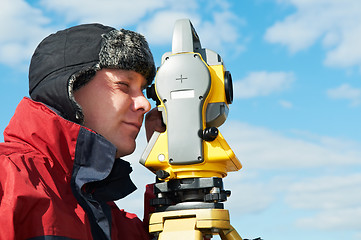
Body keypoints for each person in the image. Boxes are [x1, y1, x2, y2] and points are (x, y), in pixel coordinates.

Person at [0, 23, 162, 240]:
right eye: (124, 85)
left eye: (143, 90)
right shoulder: (6, 179)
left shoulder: (110, 218)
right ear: (69, 88)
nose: (145, 104)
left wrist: (172, 168)